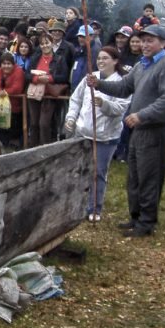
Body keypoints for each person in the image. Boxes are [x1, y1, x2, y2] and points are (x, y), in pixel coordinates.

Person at [87, 24, 165, 237]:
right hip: (138, 129)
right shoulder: (142, 65)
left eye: (151, 40)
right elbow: (123, 88)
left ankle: (147, 222)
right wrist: (99, 84)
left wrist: (141, 115)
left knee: (150, 176)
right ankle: (136, 216)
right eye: (143, 40)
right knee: (135, 176)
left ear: (164, 43)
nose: (145, 44)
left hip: (155, 129)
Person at [65, 47, 130, 222]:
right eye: (99, 58)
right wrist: (71, 117)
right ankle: (75, 202)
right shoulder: (90, 78)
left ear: (115, 61)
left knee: (98, 173)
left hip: (105, 137)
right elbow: (76, 99)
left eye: (105, 58)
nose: (101, 61)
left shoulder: (121, 82)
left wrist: (104, 104)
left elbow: (120, 108)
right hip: (82, 132)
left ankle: (95, 207)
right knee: (77, 170)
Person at [26, 31, 70, 148]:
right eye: (42, 43)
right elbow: (26, 74)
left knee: (44, 124)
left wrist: (50, 78)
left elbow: (64, 77)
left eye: (47, 43)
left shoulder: (60, 59)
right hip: (34, 94)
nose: (45, 46)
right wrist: (36, 79)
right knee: (34, 124)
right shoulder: (35, 58)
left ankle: (45, 150)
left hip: (49, 95)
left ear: (52, 43)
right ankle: (32, 149)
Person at [0, 52, 25, 147]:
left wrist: (5, 92)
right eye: (4, 63)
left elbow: (17, 88)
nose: (6, 66)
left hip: (14, 107)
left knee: (11, 129)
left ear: (13, 64)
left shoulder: (18, 71)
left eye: (8, 64)